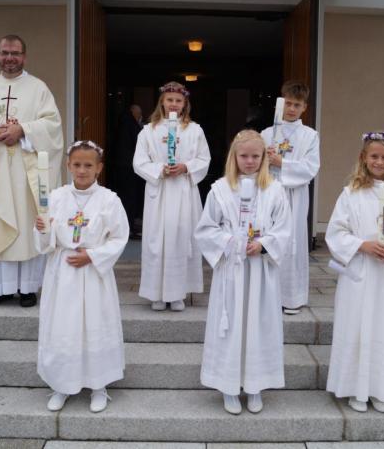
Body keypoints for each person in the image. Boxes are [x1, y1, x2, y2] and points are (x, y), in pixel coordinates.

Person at [195, 130, 292, 414]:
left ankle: (255, 385)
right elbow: (206, 229)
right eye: (244, 156)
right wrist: (230, 242)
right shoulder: (220, 190)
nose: (249, 161)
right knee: (231, 326)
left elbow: (283, 229)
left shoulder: (274, 190)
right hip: (232, 271)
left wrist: (263, 245)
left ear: (264, 158)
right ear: (234, 157)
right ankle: (228, 386)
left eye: (255, 156)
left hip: (261, 271)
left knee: (258, 325)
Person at [324, 131, 384, 413]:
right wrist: (362, 245)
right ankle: (356, 388)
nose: (379, 162)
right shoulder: (351, 194)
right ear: (363, 158)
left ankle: (382, 389)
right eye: (374, 156)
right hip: (361, 270)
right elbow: (336, 232)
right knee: (357, 325)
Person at [0, 34, 64, 308]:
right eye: (5, 53)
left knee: (27, 227)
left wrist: (23, 130)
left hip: (26, 174)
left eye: (15, 53)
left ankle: (27, 288)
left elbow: (53, 125)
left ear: (24, 56)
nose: (10, 58)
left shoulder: (39, 88)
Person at [35, 140, 129, 413]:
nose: (82, 170)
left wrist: (93, 256)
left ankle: (98, 386)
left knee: (95, 325)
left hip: (93, 274)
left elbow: (119, 237)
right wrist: (42, 229)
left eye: (88, 165)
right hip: (63, 272)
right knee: (63, 327)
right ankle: (61, 384)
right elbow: (44, 243)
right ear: (68, 166)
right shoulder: (56, 197)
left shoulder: (109, 199)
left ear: (99, 168)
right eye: (77, 164)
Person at [133, 81, 211, 311]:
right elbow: (139, 162)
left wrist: (186, 167)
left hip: (183, 191)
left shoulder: (194, 130)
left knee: (181, 238)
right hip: (159, 192)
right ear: (162, 102)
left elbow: (204, 158)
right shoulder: (148, 131)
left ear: (185, 103)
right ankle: (156, 293)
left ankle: (178, 293)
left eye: (178, 100)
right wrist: (160, 169)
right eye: (170, 100)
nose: (174, 104)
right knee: (157, 241)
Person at [260, 81, 320, 315]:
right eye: (288, 103)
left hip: (294, 195)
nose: (292, 109)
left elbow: (310, 167)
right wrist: (265, 160)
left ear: (304, 107)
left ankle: (291, 297)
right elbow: (253, 162)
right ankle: (268, 296)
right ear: (280, 104)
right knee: (269, 239)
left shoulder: (310, 136)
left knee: (292, 242)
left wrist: (281, 162)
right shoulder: (267, 133)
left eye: (297, 105)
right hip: (269, 192)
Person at [111, 104, 145, 237]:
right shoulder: (131, 124)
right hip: (128, 166)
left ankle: (127, 226)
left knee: (125, 196)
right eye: (139, 113)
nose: (140, 116)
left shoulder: (122, 122)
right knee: (129, 197)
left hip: (121, 165)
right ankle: (128, 227)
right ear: (133, 112)